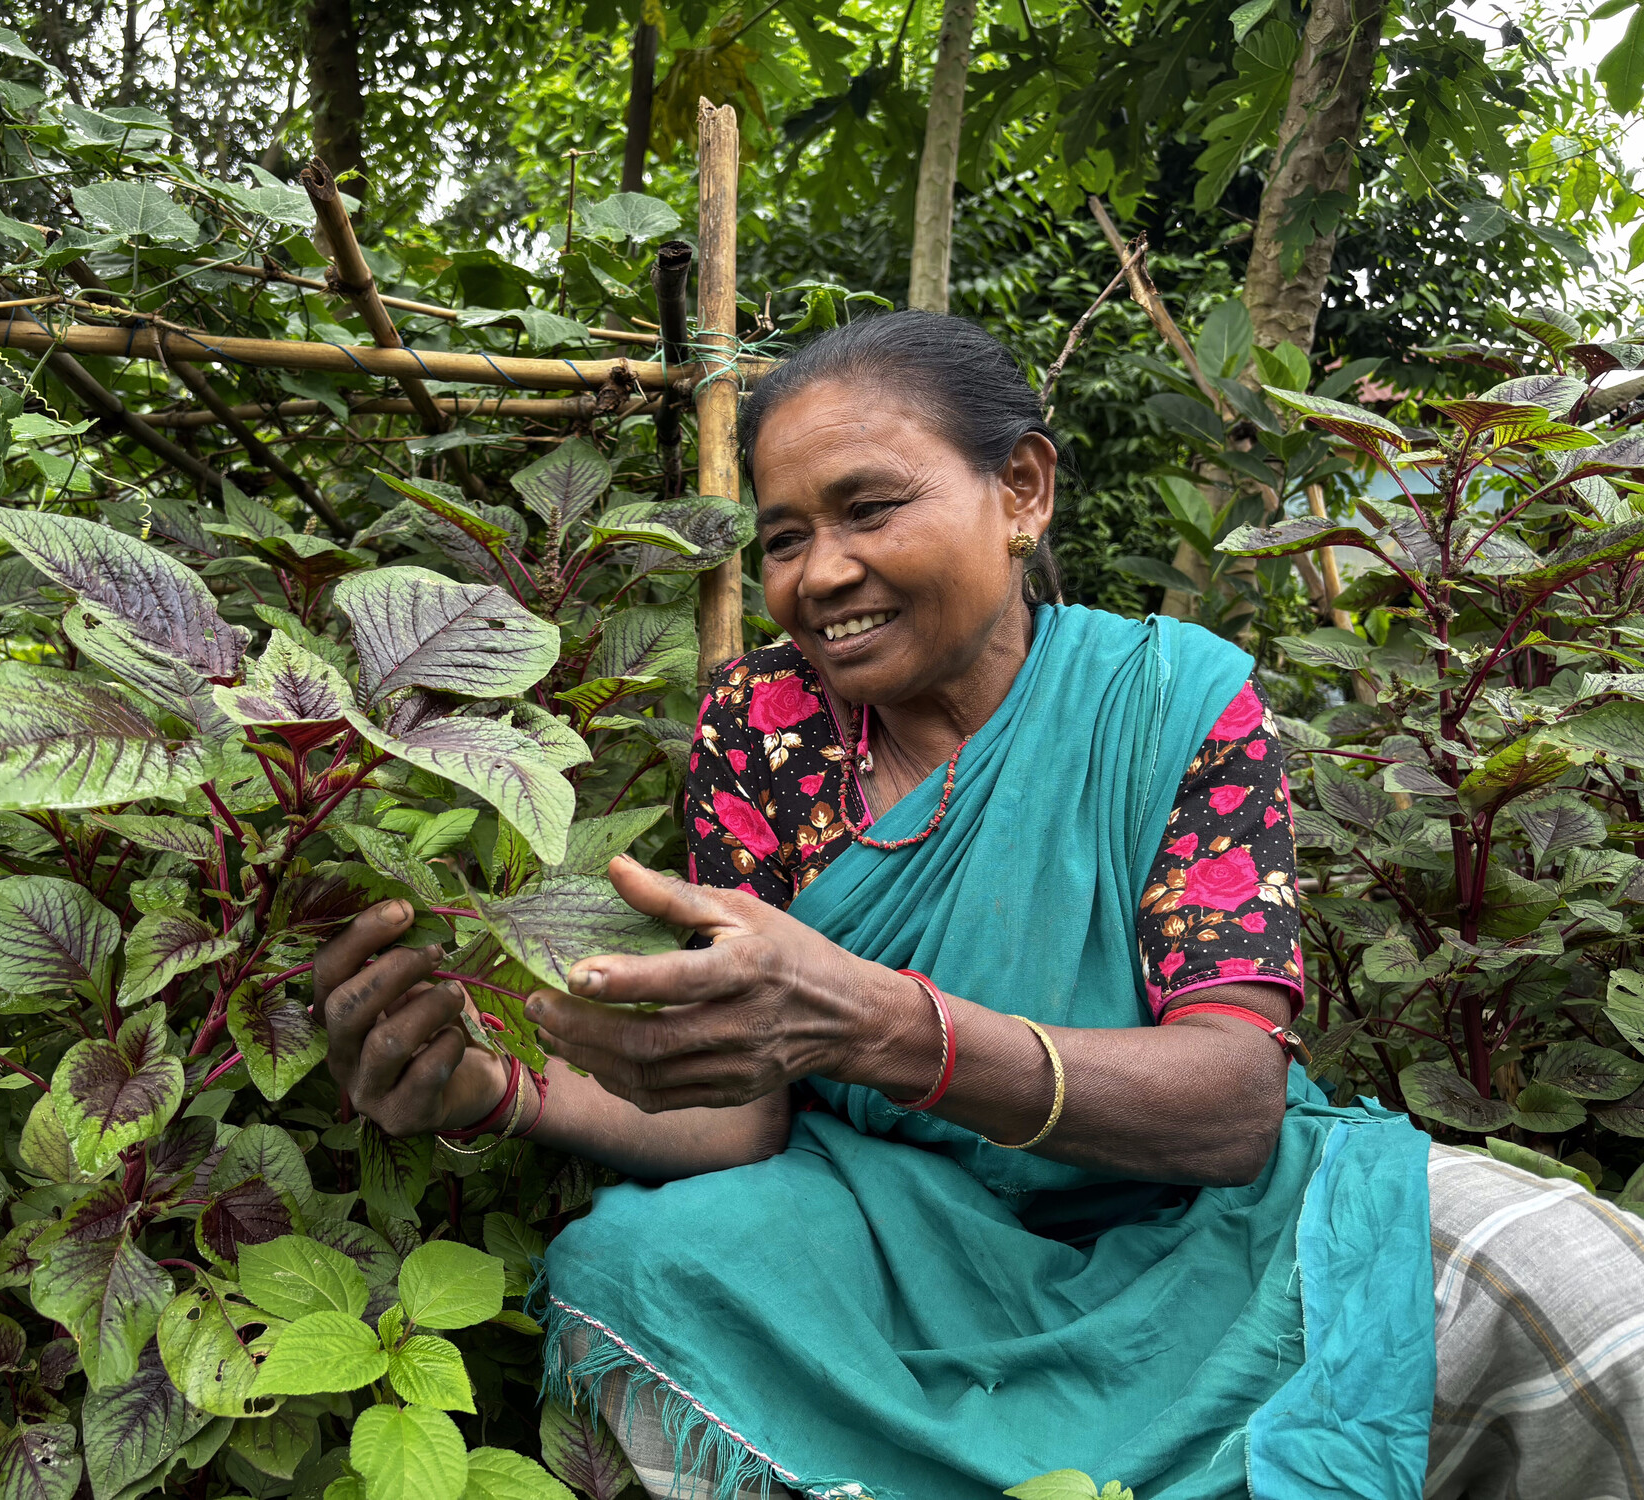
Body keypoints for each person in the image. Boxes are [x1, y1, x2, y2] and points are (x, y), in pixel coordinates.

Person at [311, 311, 1644, 1500]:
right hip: (897, 1230)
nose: (819, 573)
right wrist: (489, 1083)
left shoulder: (1169, 701)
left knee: (1587, 1300)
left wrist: (879, 1024)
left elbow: (1232, 1106)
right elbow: (745, 1109)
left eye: (869, 508)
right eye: (784, 538)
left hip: (1211, 1227)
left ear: (1022, 490)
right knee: (637, 1276)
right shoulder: (760, 730)